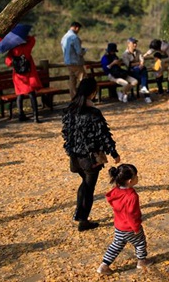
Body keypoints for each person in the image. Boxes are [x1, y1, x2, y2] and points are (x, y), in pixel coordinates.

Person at [62, 78, 121, 231]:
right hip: (90, 157)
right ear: (92, 92)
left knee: (85, 183)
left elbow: (67, 133)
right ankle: (83, 219)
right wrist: (113, 153)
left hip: (75, 156)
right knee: (89, 187)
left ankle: (79, 214)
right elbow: (103, 135)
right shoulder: (93, 112)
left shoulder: (70, 110)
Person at [96, 163, 153, 275]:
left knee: (116, 245)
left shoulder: (116, 191)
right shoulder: (132, 196)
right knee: (140, 242)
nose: (138, 177)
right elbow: (131, 214)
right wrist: (136, 227)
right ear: (129, 181)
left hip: (119, 226)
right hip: (130, 227)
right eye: (136, 176)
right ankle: (142, 261)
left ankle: (104, 265)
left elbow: (112, 199)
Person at [5, 35, 43, 123]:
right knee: (32, 94)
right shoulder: (26, 47)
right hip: (28, 74)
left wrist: (15, 60)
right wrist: (26, 36)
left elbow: (8, 62)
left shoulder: (12, 50)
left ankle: (21, 115)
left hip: (18, 76)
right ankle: (35, 117)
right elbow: (33, 40)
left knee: (19, 95)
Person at [61, 22, 87, 99]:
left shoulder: (64, 37)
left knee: (72, 81)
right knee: (84, 80)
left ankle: (74, 97)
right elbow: (79, 52)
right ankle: (84, 98)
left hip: (68, 62)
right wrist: (84, 50)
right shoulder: (74, 37)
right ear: (76, 28)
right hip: (76, 62)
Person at [121, 37, 152, 104]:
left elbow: (142, 60)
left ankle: (144, 90)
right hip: (131, 72)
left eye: (136, 43)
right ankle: (146, 95)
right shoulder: (125, 54)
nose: (135, 44)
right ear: (128, 44)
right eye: (133, 43)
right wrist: (139, 63)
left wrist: (141, 64)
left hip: (139, 70)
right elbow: (128, 65)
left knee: (143, 71)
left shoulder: (138, 52)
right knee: (144, 75)